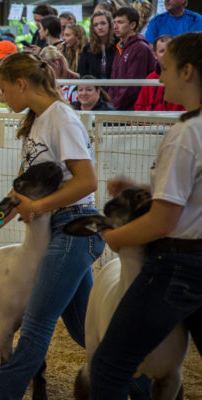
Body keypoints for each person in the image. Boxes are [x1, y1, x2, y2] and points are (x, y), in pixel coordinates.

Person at [0, 52, 104, 398]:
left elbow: (87, 182)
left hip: (74, 227)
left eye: (3, 88)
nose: (1, 95)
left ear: (21, 84)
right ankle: (146, 385)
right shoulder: (39, 120)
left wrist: (37, 206)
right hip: (63, 229)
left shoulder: (60, 119)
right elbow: (20, 191)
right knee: (85, 332)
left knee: (36, 328)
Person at [89, 32, 202, 399]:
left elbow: (163, 222)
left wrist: (114, 238)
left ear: (187, 71)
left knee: (108, 367)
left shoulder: (185, 134)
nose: (158, 76)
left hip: (176, 266)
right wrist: (144, 189)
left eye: (165, 67)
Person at [109, 7, 156, 110]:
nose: (115, 26)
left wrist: (116, 106)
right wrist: (111, 102)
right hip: (118, 107)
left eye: (120, 22)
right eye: (114, 23)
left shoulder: (140, 48)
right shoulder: (120, 47)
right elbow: (113, 79)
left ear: (132, 25)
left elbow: (133, 84)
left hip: (132, 110)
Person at [135, 35, 185, 112]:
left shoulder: (186, 78)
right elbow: (139, 107)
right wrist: (147, 123)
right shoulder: (150, 79)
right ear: (155, 55)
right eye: (162, 51)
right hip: (150, 123)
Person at [78, 10, 116, 79]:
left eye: (103, 23)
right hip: (93, 88)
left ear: (110, 25)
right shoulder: (87, 48)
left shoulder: (119, 45)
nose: (100, 27)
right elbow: (82, 73)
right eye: (96, 25)